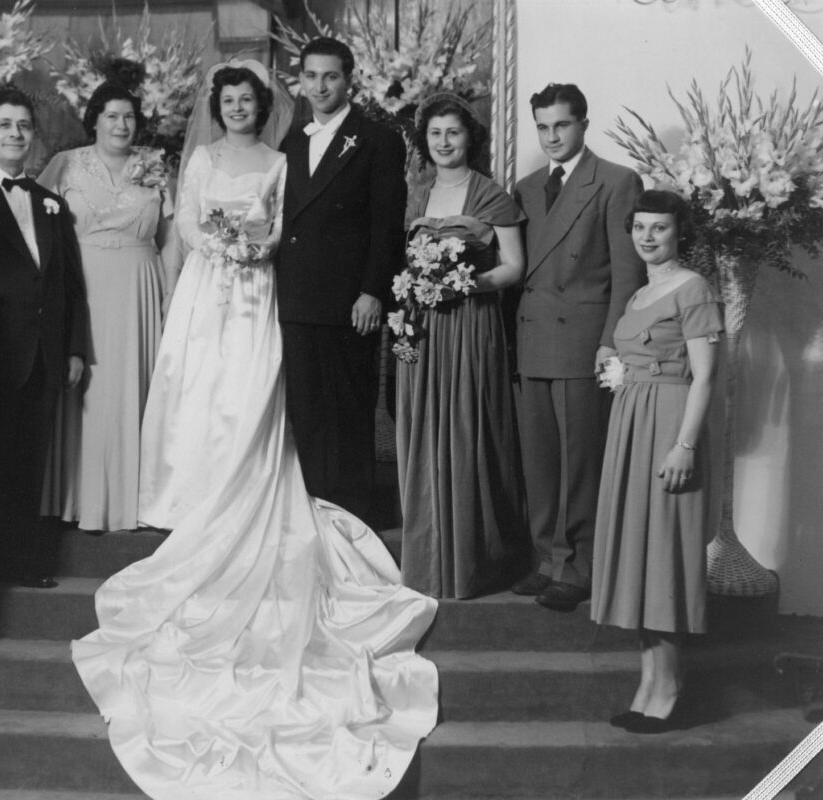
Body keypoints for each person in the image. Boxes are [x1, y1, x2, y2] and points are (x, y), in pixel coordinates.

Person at [74, 61, 438, 800]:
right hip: (211, 285)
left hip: (266, 285)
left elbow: (285, 222)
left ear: (263, 106)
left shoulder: (282, 157)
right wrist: (216, 244)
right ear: (219, 108)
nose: (239, 109)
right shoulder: (204, 157)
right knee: (200, 387)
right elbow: (183, 218)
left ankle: (256, 484)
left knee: (256, 391)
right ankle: (192, 492)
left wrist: (255, 244)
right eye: (229, 101)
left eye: (248, 100)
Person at [0, 86, 88, 588]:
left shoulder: (50, 203)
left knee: (30, 463)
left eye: (23, 126)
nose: (15, 134)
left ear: (33, 135)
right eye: (4, 125)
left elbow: (68, 281)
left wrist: (73, 348)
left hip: (45, 355)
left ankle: (22, 563)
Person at [511, 83, 645, 611]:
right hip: (533, 337)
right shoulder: (524, 188)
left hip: (583, 341)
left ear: (584, 124)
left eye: (561, 125)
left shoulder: (615, 181)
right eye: (542, 127)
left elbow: (627, 275)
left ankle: (579, 565)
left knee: (579, 461)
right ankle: (546, 559)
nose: (551, 137)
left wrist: (611, 343)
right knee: (540, 460)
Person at [592, 190, 722, 733]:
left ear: (678, 233)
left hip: (669, 426)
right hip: (632, 425)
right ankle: (649, 681)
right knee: (640, 554)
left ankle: (669, 685)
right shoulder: (641, 293)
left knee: (664, 553)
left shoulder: (693, 287)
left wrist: (684, 445)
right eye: (640, 227)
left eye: (660, 228)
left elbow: (707, 376)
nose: (648, 237)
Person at [396, 93, 528, 598]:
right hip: (422, 326)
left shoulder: (490, 194)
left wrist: (465, 286)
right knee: (423, 427)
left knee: (465, 424)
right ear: (424, 141)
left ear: (470, 137)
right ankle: (427, 555)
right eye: (435, 134)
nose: (444, 142)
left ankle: (470, 557)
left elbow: (514, 267)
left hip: (470, 324)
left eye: (453, 132)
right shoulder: (417, 194)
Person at [276, 37, 408, 521]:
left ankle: (353, 520)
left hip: (351, 301)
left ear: (348, 78)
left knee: (349, 413)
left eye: (330, 75)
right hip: (296, 301)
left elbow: (386, 225)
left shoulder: (377, 138)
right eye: (310, 76)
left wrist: (373, 290)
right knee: (307, 415)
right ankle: (316, 520)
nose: (320, 86)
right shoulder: (292, 141)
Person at [40, 76, 172, 532]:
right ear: (94, 120)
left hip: (140, 288)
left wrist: (171, 298)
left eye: (129, 116)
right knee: (88, 392)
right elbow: (37, 231)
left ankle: (132, 502)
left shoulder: (156, 166)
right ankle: (79, 498)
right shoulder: (65, 165)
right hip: (83, 287)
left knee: (134, 387)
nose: (121, 124)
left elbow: (171, 241)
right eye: (111, 115)